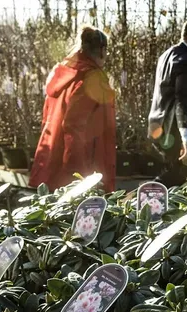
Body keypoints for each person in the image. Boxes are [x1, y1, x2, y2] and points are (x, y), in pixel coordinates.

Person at [29, 26, 116, 193]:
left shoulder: (65, 76)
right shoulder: (90, 80)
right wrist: (78, 176)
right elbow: (74, 127)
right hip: (82, 169)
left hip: (56, 164)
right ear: (103, 51)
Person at [147, 16, 187, 187]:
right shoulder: (186, 62)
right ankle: (144, 205)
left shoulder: (167, 55)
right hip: (176, 136)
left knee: (169, 181)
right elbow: (183, 101)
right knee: (175, 183)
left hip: (162, 131)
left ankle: (148, 205)